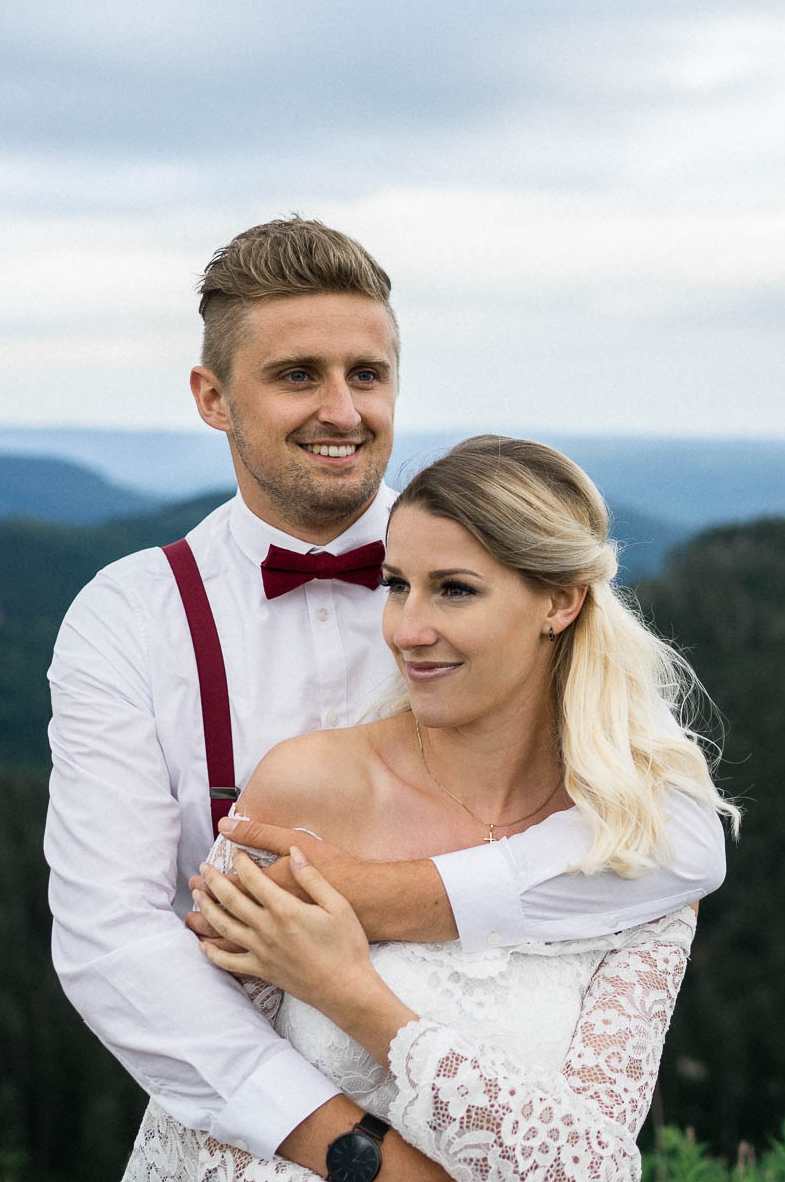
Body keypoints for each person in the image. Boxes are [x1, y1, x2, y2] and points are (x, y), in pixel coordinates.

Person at [44, 219, 728, 1179]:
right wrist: (357, 1155)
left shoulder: (491, 557)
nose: (342, 409)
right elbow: (111, 941)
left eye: (367, 375)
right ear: (212, 397)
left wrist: (381, 899)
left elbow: (686, 843)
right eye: (296, 376)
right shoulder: (131, 618)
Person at [125, 434, 739, 1181]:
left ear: (560, 601)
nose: (406, 629)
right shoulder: (305, 793)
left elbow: (592, 1168)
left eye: (454, 589)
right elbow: (203, 1103)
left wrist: (349, 993)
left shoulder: (638, 854)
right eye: (395, 584)